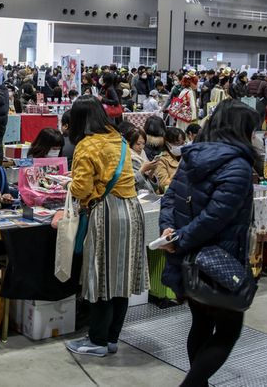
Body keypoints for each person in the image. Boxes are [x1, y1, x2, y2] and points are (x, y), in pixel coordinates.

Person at [158, 100, 259, 387]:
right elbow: (215, 217)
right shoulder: (238, 166)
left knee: (201, 322)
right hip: (219, 261)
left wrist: (171, 230)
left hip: (189, 258)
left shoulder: (192, 156)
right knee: (229, 330)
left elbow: (170, 199)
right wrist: (177, 237)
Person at [57, 95, 147, 357]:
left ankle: (96, 340)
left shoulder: (87, 145)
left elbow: (82, 187)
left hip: (107, 212)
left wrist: (68, 185)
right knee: (122, 277)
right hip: (132, 209)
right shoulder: (117, 139)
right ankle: (111, 339)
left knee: (101, 277)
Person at [126, 127, 159, 194]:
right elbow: (129, 184)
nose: (141, 147)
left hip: (148, 197)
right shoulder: (126, 157)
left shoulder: (143, 154)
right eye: (138, 144)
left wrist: (152, 171)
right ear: (129, 142)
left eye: (143, 144)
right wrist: (143, 170)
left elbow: (154, 187)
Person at [154, 127, 186, 193]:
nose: (180, 146)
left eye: (182, 143)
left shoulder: (187, 155)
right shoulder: (161, 160)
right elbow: (163, 185)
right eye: (177, 143)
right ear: (167, 143)